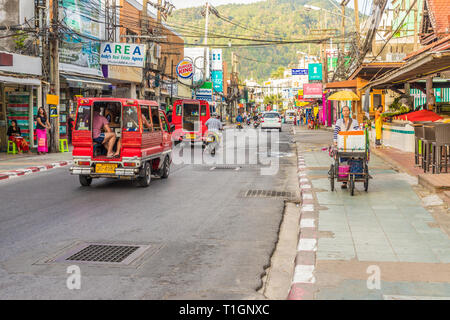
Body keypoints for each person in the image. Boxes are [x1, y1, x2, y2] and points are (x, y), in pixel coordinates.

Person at [333, 105, 360, 189]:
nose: (346, 112)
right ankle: (344, 181)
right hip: (342, 144)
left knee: (352, 160)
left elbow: (357, 131)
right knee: (343, 161)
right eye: (344, 110)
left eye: (347, 110)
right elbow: (336, 132)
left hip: (352, 144)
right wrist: (335, 141)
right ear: (342, 112)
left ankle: (352, 177)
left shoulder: (354, 121)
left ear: (349, 112)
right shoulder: (339, 121)